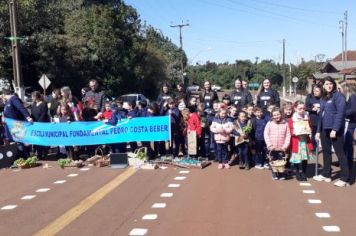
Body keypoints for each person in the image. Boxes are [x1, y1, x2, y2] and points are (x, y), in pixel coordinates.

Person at [314, 77, 349, 187]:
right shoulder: (324, 98)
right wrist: (318, 130)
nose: (328, 86)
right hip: (325, 129)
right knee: (326, 152)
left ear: (333, 85)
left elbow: (340, 114)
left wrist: (335, 129)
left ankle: (344, 178)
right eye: (326, 84)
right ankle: (326, 174)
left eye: (330, 84)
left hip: (335, 130)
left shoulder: (338, 96)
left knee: (340, 153)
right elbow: (321, 115)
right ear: (323, 86)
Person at [2, 89, 33, 158]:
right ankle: (20, 156)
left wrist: (28, 117)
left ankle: (24, 157)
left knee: (19, 141)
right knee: (15, 141)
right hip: (11, 126)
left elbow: (21, 108)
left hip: (17, 124)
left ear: (4, 95)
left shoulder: (13, 98)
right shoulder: (7, 102)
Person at [288, 101, 313, 181]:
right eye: (300, 108)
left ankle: (303, 172)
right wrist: (295, 132)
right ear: (295, 109)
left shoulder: (306, 117)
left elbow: (310, 127)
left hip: (305, 141)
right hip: (296, 141)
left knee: (304, 158)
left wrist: (309, 131)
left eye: (303, 108)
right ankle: (298, 172)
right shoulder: (292, 119)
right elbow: (290, 130)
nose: (302, 110)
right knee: (297, 158)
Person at [264, 107, 291, 180]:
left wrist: (285, 146)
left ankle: (281, 174)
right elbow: (266, 134)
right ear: (272, 116)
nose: (276, 116)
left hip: (282, 148)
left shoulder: (285, 123)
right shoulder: (269, 123)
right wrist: (269, 145)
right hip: (272, 147)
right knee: (273, 161)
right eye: (274, 115)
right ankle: (274, 173)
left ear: (281, 114)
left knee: (281, 161)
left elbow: (288, 135)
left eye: (278, 114)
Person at [339, 81, 356, 171]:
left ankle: (349, 164)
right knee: (344, 143)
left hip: (351, 123)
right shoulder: (345, 97)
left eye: (340, 88)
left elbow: (353, 110)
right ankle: (344, 162)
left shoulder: (352, 96)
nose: (339, 90)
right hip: (346, 122)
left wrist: (342, 114)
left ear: (344, 88)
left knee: (348, 143)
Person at [30, 91, 50, 159]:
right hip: (35, 125)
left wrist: (39, 123)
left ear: (36, 96)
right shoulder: (33, 105)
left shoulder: (44, 104)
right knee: (37, 140)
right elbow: (32, 114)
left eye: (32, 96)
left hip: (42, 124)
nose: (31, 98)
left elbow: (44, 114)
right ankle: (39, 154)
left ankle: (45, 153)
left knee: (43, 139)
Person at [305, 84, 322, 150]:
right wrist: (312, 109)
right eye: (314, 90)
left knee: (322, 135)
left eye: (317, 91)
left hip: (322, 119)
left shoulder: (323, 97)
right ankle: (313, 148)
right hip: (313, 118)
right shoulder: (309, 96)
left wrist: (320, 108)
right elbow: (306, 107)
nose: (315, 92)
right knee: (313, 135)